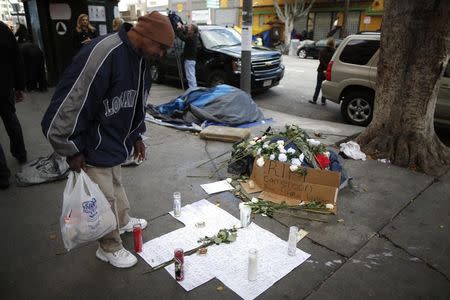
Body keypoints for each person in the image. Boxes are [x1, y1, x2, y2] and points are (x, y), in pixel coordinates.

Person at [41, 11, 174, 268]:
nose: (161, 54)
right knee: (103, 199)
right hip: (91, 143)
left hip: (114, 140)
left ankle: (122, 222)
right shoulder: (104, 53)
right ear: (145, 35)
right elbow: (71, 103)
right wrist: (70, 147)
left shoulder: (140, 58)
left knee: (116, 186)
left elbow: (137, 103)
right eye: (161, 47)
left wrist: (137, 135)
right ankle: (109, 246)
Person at [0, 21, 27, 189]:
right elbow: (16, 58)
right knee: (11, 119)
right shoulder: (3, 29)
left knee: (11, 120)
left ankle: (2, 175)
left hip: (4, 85)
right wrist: (19, 86)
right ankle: (20, 153)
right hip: (4, 86)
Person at [309, 37, 336, 105]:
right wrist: (327, 69)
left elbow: (321, 60)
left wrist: (324, 68)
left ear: (327, 43)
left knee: (318, 86)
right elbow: (333, 62)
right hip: (328, 71)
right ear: (333, 44)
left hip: (321, 70)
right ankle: (323, 101)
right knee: (325, 86)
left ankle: (314, 100)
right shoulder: (335, 52)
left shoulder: (322, 50)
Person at [176, 23, 199, 89]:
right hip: (191, 59)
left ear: (192, 30)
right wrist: (183, 29)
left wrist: (179, 29)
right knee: (191, 75)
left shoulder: (191, 38)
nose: (188, 28)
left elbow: (182, 37)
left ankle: (193, 89)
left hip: (189, 60)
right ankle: (193, 88)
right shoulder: (194, 36)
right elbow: (185, 34)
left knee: (190, 76)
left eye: (189, 28)